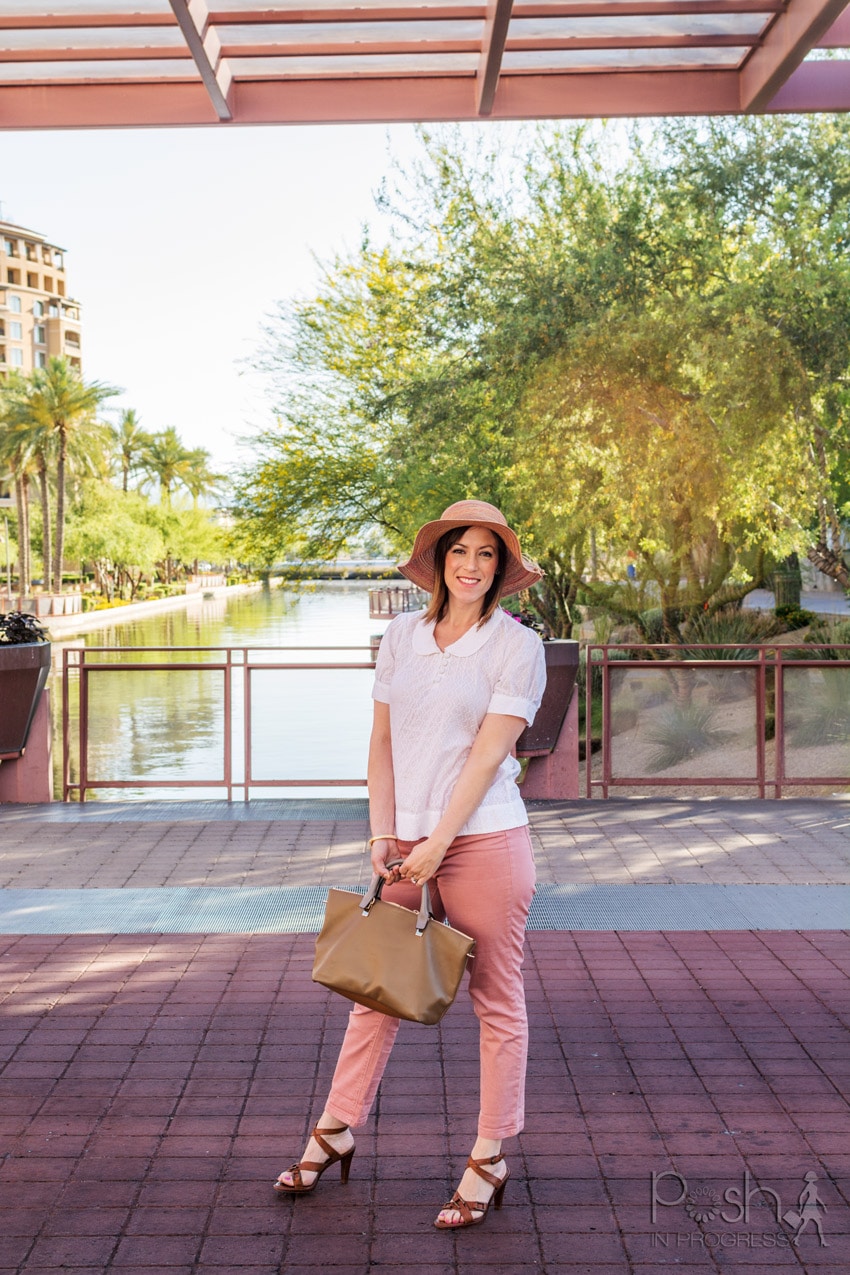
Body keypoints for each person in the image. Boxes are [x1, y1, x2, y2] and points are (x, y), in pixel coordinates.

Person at [274, 499, 547, 1229]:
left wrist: (436, 845)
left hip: (484, 840)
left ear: (501, 569)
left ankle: (490, 1154)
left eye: (487, 554)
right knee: (376, 988)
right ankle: (337, 1127)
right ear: (437, 560)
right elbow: (382, 743)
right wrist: (383, 833)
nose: (471, 564)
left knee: (496, 999)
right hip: (406, 849)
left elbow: (489, 755)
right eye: (460, 550)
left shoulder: (516, 647)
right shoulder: (402, 636)